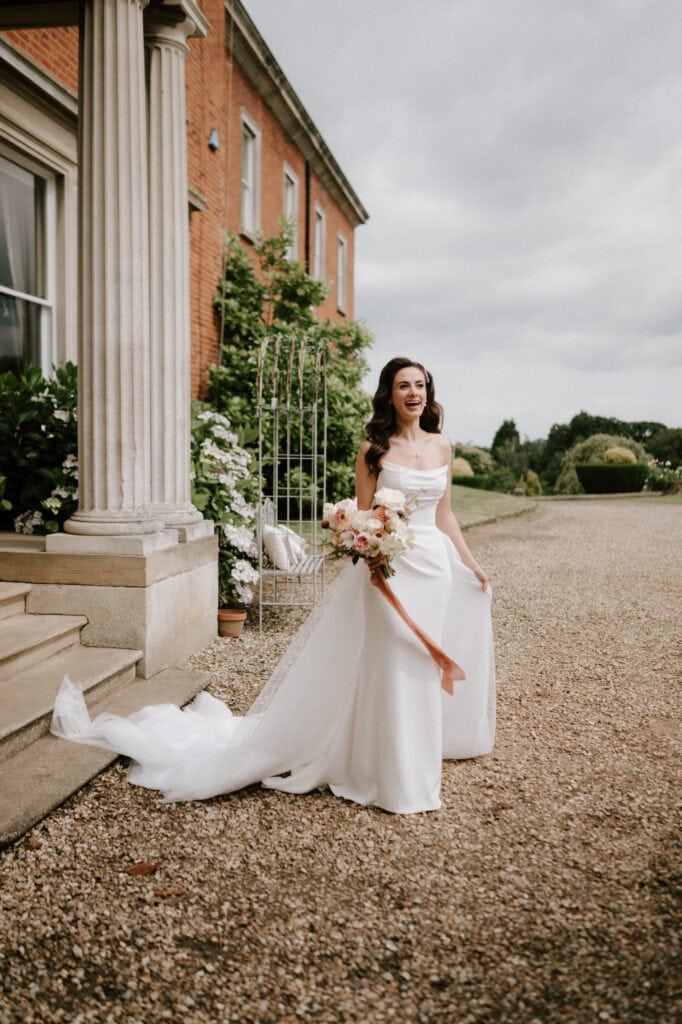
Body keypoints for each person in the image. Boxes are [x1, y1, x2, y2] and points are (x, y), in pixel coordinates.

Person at [52, 357, 495, 815]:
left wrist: (471, 563)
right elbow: (364, 515)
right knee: (391, 659)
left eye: (420, 384)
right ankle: (388, 774)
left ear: (428, 391)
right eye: (403, 385)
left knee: (422, 664)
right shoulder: (373, 448)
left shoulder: (443, 446)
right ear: (390, 394)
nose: (413, 393)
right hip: (387, 571)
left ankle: (414, 770)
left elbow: (445, 515)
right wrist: (371, 552)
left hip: (433, 569)